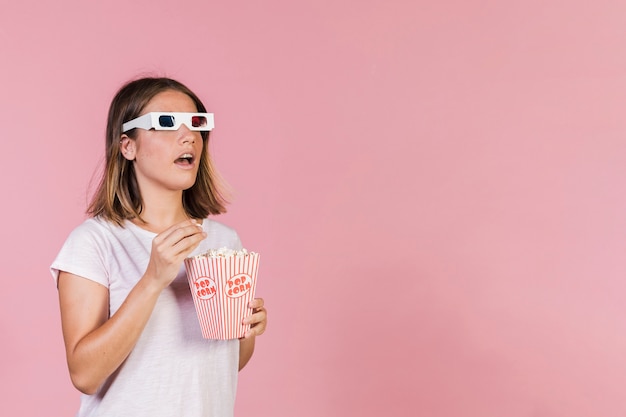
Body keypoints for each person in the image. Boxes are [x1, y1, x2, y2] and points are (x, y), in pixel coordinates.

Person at [50, 77, 267, 417]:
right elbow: (85, 374)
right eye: (166, 123)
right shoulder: (94, 242)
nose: (188, 136)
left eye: (197, 123)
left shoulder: (224, 242)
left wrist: (245, 332)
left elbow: (223, 366)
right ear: (128, 146)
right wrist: (153, 280)